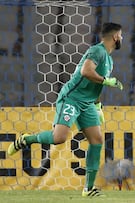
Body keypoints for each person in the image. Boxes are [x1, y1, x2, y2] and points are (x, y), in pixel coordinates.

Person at [7, 22, 124, 197]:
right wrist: (107, 81)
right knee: (59, 137)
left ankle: (88, 189)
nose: (122, 38)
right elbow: (86, 72)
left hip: (87, 103)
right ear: (115, 37)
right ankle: (26, 139)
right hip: (71, 98)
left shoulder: (109, 59)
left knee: (97, 141)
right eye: (121, 35)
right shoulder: (97, 51)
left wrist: (98, 105)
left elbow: (95, 84)